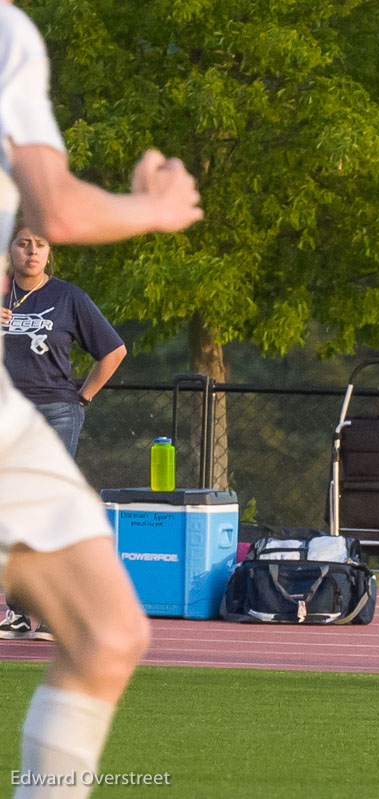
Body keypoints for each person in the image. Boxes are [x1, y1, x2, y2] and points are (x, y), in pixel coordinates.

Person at [0, 2, 204, 796]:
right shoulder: (8, 31)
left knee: (105, 629)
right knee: (105, 632)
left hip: (36, 415)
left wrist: (78, 398)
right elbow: (61, 206)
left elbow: (109, 345)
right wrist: (155, 209)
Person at [1, 225, 128, 642]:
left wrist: (83, 398)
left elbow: (113, 350)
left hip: (56, 410)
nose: (31, 252)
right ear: (11, 250)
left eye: (39, 244)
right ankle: (21, 612)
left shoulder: (68, 297)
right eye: (23, 244)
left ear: (49, 251)